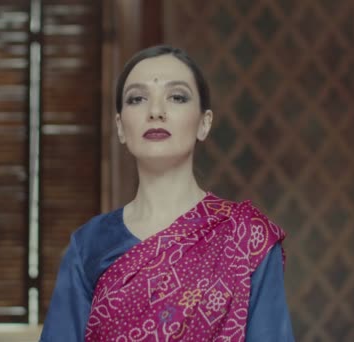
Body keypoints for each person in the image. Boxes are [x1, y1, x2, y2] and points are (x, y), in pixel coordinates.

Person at [40, 45, 294, 341]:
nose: (156, 111)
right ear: (121, 127)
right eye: (137, 99)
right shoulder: (88, 245)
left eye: (177, 97)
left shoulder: (248, 238)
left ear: (204, 123)